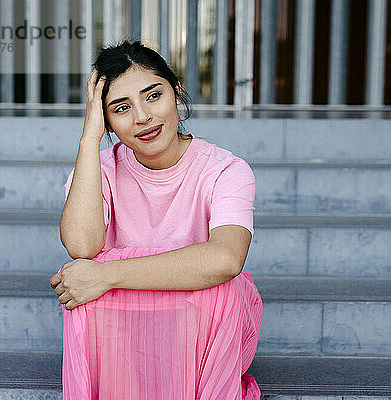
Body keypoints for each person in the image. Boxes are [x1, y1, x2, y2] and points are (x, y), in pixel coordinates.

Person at [48, 40, 263, 399]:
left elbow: (226, 259)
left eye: (153, 96)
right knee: (86, 283)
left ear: (176, 93)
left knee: (221, 286)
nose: (142, 117)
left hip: (200, 318)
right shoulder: (97, 170)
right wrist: (89, 139)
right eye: (121, 108)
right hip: (129, 326)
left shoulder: (226, 169)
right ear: (108, 121)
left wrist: (106, 275)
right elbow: (81, 246)